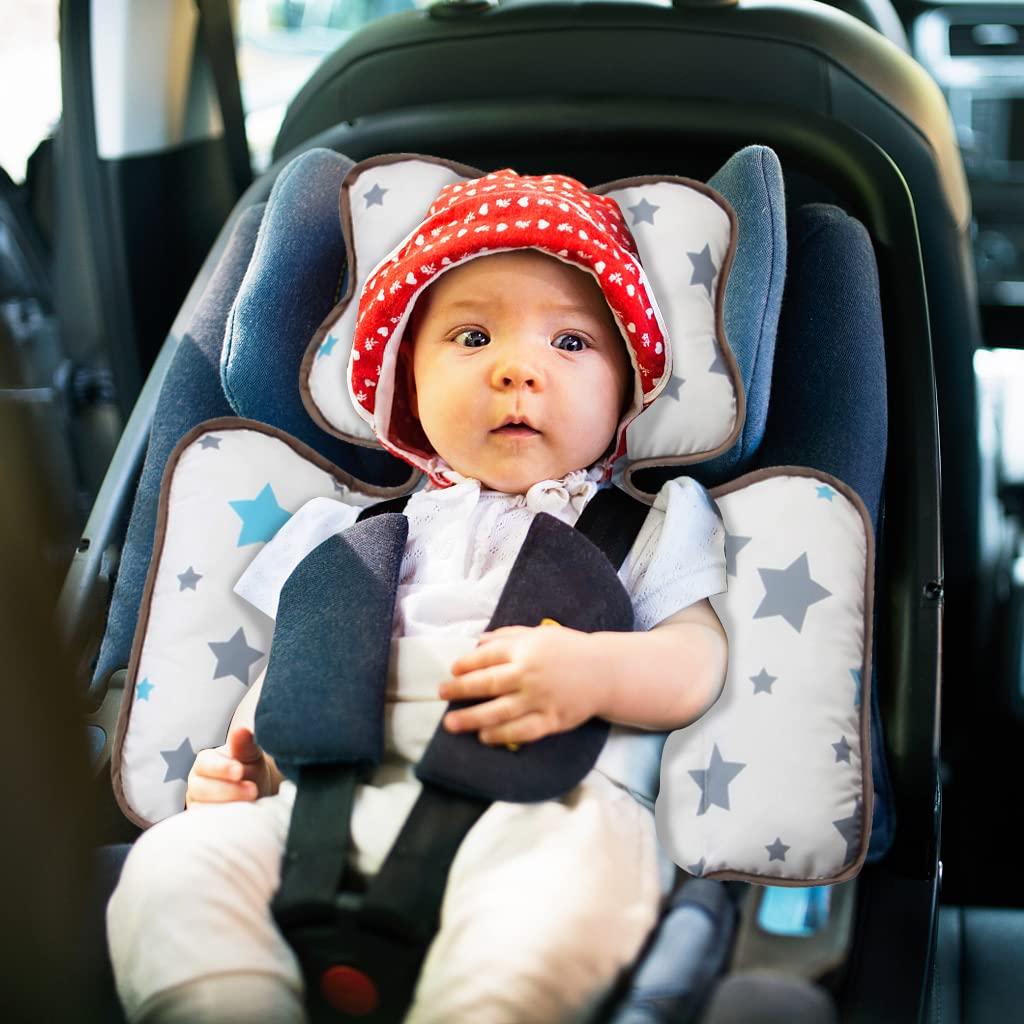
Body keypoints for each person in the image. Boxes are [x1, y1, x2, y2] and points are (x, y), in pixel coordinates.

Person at [107, 167, 729, 1024]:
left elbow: (695, 661)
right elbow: (292, 668)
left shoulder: (646, 526)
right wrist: (241, 765)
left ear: (626, 384)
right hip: (328, 802)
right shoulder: (342, 530)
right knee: (177, 864)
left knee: (581, 870)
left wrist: (594, 671)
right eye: (471, 339)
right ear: (404, 382)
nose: (517, 370)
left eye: (572, 344)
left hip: (543, 802)